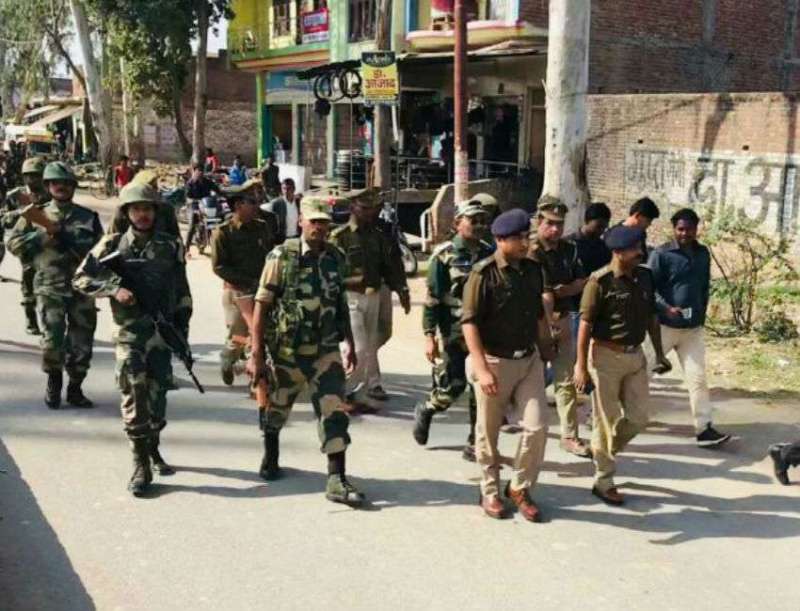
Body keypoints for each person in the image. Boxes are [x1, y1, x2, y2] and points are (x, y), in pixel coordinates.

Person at [73, 183, 192, 496]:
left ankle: (153, 447)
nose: (143, 214)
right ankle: (140, 464)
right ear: (126, 213)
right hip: (129, 335)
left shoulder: (170, 245)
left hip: (161, 335)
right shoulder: (112, 244)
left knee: (158, 399)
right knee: (133, 396)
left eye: (147, 208)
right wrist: (113, 289)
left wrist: (182, 333)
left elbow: (182, 289)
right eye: (136, 209)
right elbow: (80, 278)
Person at [247, 196, 365, 507]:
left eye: (324, 222)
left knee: (333, 409)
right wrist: (256, 353)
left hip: (325, 350)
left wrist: (350, 343)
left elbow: (340, 302)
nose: (319, 228)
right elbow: (261, 305)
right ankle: (271, 453)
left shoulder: (335, 257)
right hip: (288, 351)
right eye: (314, 221)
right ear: (301, 221)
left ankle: (336, 478)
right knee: (277, 407)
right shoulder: (280, 256)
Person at [461, 208, 554, 521]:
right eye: (518, 238)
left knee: (537, 426)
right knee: (488, 432)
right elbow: (469, 323)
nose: (525, 243)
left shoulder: (533, 270)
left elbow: (538, 313)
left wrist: (546, 345)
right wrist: (481, 369)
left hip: (528, 360)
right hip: (494, 361)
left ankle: (519, 487)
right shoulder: (483, 274)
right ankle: (489, 490)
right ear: (501, 240)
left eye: (527, 236)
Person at [573, 225, 672, 506]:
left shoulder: (645, 277)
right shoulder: (599, 282)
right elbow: (585, 325)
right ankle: (604, 480)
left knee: (639, 418)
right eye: (634, 249)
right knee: (606, 420)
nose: (640, 253)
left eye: (640, 247)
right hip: (605, 356)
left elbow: (651, 317)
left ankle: (602, 450)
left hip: (636, 356)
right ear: (617, 252)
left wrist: (659, 353)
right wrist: (580, 366)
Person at [6, 161, 103, 409]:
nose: (61, 187)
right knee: (52, 340)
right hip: (49, 287)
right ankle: (54, 380)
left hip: (82, 289)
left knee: (82, 342)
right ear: (48, 186)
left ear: (73, 186)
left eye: (66, 183)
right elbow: (14, 245)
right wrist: (42, 235)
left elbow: (102, 252)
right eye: (56, 183)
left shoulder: (88, 218)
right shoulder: (35, 215)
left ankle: (75, 387)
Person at [413, 199, 493, 461]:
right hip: (454, 331)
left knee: (481, 387)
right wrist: (429, 336)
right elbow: (433, 299)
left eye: (482, 220)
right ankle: (427, 409)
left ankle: (475, 442)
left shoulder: (489, 252)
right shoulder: (444, 255)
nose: (479, 225)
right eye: (473, 220)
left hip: (483, 331)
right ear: (458, 223)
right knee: (454, 386)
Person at [647, 208, 731, 447]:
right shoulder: (662, 254)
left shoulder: (702, 254)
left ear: (697, 229)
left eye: (690, 229)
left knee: (698, 379)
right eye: (681, 229)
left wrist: (701, 315)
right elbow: (647, 288)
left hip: (692, 330)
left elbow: (704, 287)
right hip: (663, 328)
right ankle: (613, 416)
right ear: (674, 229)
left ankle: (704, 429)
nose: (685, 233)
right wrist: (665, 308)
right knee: (639, 375)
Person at [330, 187, 411, 412]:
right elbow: (330, 271)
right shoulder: (340, 237)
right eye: (365, 208)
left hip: (373, 296)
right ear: (353, 207)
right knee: (359, 348)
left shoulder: (377, 235)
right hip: (350, 298)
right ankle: (342, 392)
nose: (371, 212)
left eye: (374, 208)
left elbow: (389, 265)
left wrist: (401, 289)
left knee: (370, 346)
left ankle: (361, 393)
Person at [529, 196, 590, 458]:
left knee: (565, 380)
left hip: (563, 318)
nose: (555, 229)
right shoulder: (531, 252)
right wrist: (560, 293)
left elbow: (582, 282)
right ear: (539, 222)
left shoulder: (569, 249)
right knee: (530, 379)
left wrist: (564, 290)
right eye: (550, 223)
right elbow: (544, 294)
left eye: (560, 224)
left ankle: (569, 435)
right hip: (534, 323)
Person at [211, 180, 277, 386]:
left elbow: (270, 255)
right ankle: (228, 357)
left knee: (259, 334)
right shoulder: (223, 232)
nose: (258, 206)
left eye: (258, 201)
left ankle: (257, 381)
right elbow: (219, 267)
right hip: (237, 292)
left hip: (261, 292)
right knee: (238, 335)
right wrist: (247, 281)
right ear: (238, 205)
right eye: (253, 202)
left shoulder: (262, 227)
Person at [1, 157, 51, 335]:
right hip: (27, 245)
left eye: (36, 175)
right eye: (29, 175)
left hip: (48, 242)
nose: (32, 179)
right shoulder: (16, 195)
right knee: (29, 282)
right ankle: (31, 319)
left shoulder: (50, 193)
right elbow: (5, 220)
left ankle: (51, 321)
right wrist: (20, 213)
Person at [565, 202, 612, 339]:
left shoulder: (603, 247)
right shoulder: (569, 245)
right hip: (574, 307)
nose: (601, 231)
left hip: (596, 305)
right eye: (598, 226)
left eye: (604, 227)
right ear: (586, 221)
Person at [108, 169, 180, 237]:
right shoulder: (122, 211)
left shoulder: (166, 210)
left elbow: (176, 238)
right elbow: (112, 238)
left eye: (154, 187)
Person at [184, 164, 219, 252]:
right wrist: (192, 200)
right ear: (194, 171)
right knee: (192, 225)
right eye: (198, 171)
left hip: (206, 206)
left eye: (201, 171)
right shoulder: (190, 183)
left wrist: (221, 195)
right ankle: (186, 248)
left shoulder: (207, 182)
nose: (200, 173)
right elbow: (188, 196)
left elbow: (217, 189)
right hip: (193, 206)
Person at [263, 178, 299, 243]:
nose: (286, 191)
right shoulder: (277, 203)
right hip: (283, 239)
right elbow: (263, 211)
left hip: (297, 237)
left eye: (288, 188)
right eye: (284, 189)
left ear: (294, 189)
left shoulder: (298, 202)